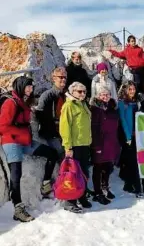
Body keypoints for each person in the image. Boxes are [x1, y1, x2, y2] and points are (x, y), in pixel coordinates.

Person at [0, 76, 60, 222]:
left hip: (26, 141)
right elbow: (2, 126)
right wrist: (21, 132)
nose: (30, 89)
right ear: (20, 86)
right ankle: (18, 209)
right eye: (28, 87)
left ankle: (46, 184)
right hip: (12, 142)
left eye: (32, 87)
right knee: (16, 175)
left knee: (52, 153)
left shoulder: (23, 102)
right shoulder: (11, 103)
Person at [59, 82, 93, 213]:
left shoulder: (83, 104)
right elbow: (64, 127)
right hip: (74, 145)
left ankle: (82, 196)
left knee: (84, 173)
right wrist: (68, 147)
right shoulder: (68, 106)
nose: (82, 94)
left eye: (84, 91)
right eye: (79, 91)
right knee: (72, 174)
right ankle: (70, 201)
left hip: (84, 144)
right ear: (72, 92)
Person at [34, 67, 67, 197]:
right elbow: (40, 113)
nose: (63, 79)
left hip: (63, 131)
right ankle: (48, 184)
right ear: (53, 78)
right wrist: (53, 125)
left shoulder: (65, 95)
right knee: (59, 152)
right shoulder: (47, 95)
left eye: (64, 77)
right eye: (60, 77)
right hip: (51, 132)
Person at [90, 86, 120, 204]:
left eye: (107, 94)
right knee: (98, 168)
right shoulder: (94, 109)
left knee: (108, 167)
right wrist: (96, 145)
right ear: (98, 96)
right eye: (102, 94)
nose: (105, 96)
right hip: (99, 143)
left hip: (111, 142)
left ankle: (105, 187)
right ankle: (98, 192)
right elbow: (94, 128)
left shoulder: (113, 108)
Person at [118, 81, 143, 197]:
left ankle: (128, 184)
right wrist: (128, 137)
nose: (132, 91)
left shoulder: (136, 102)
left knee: (130, 161)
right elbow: (123, 121)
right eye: (130, 89)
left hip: (136, 135)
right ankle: (138, 188)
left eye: (133, 89)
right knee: (133, 162)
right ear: (125, 90)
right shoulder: (122, 103)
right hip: (128, 136)